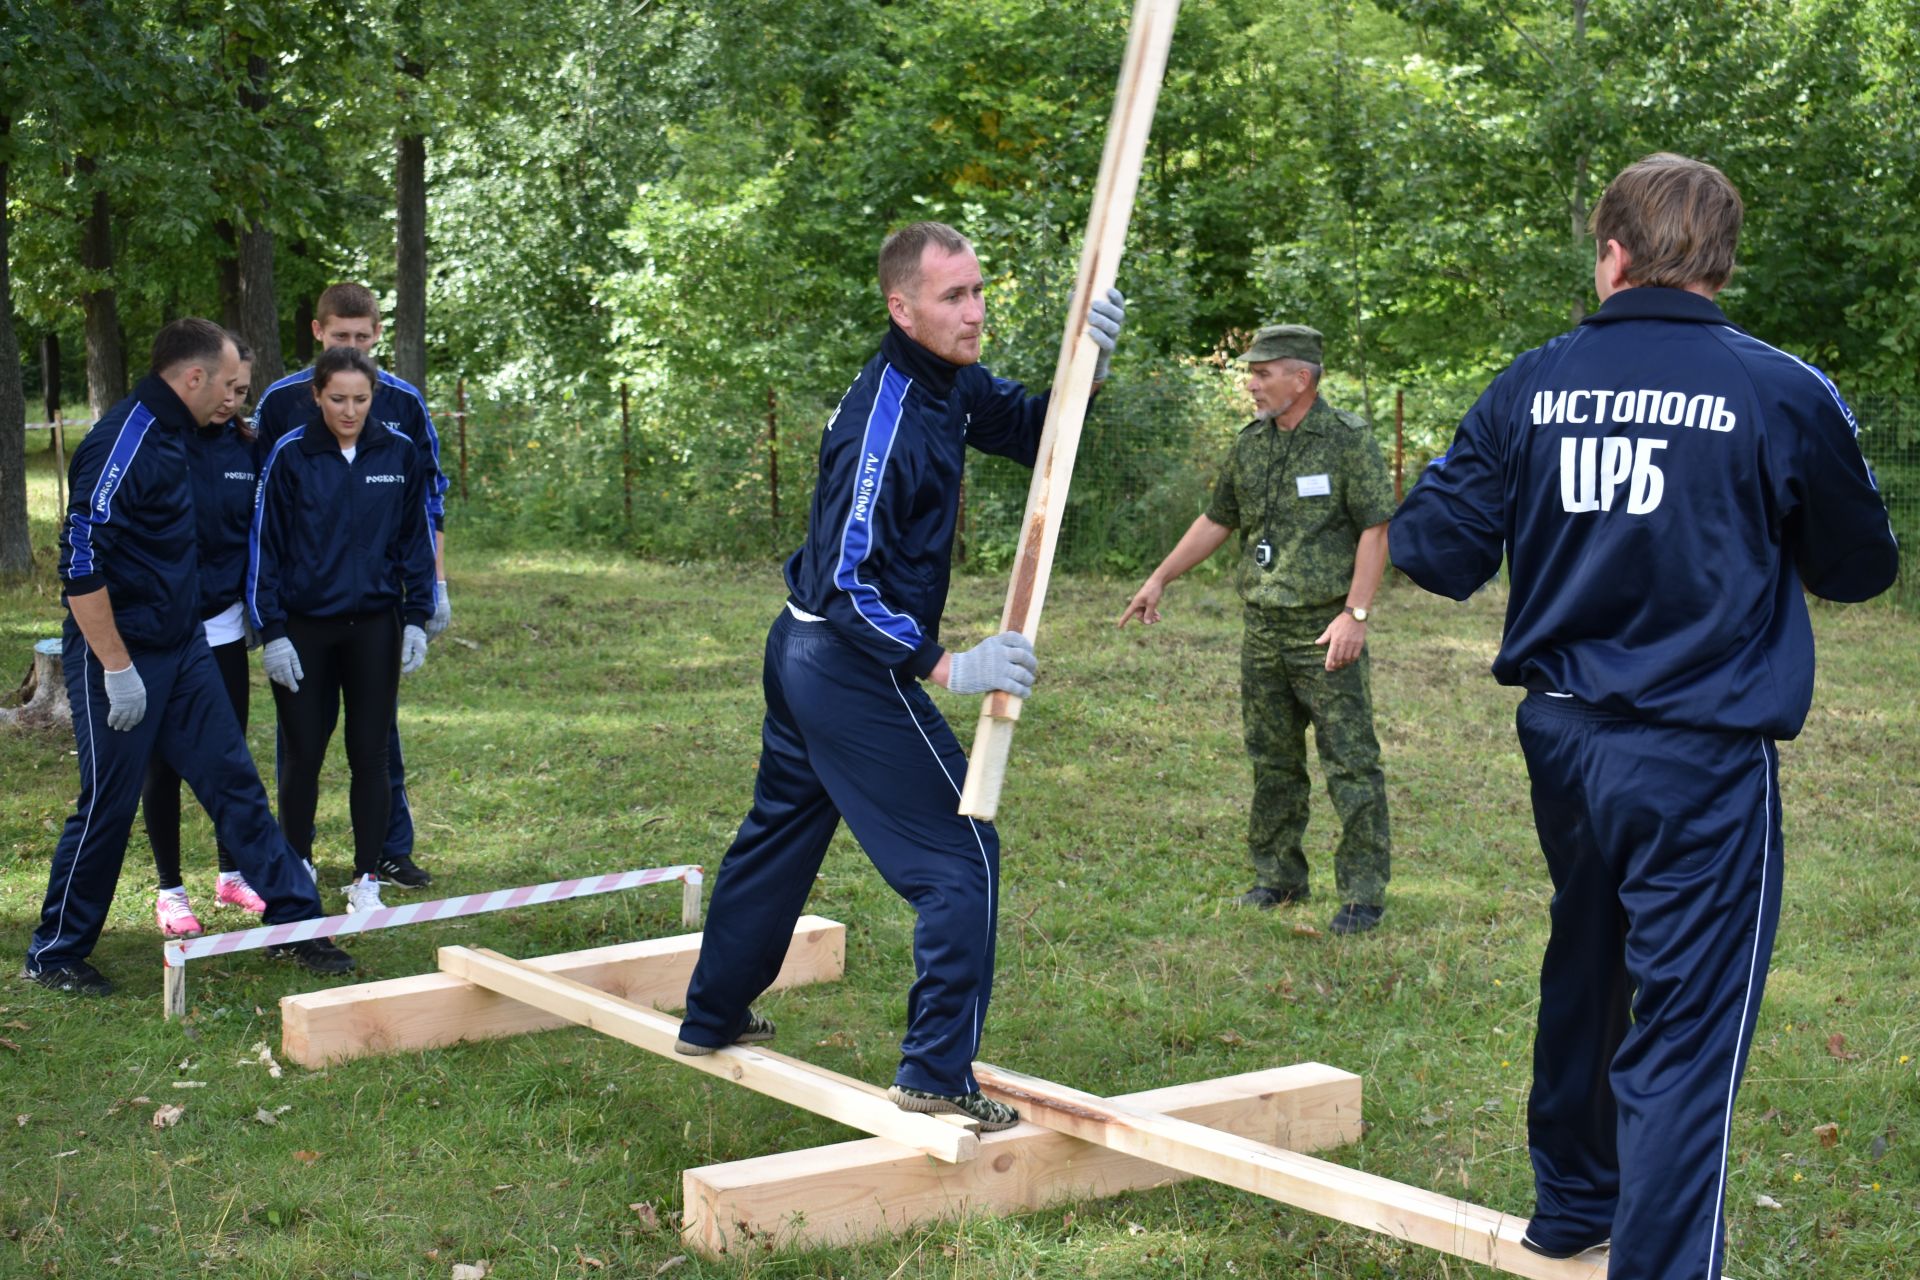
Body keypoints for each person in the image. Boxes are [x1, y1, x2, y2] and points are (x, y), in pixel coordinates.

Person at [1389, 154, 1898, 1278]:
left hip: (1567, 742)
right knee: (1684, 1024)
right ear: (1721, 258)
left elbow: (1433, 547)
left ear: (1611, 252)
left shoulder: (1535, 380)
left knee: (1590, 956)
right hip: (1699, 755)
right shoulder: (1779, 388)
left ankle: (1574, 1201)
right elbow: (1861, 566)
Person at [674, 221, 1125, 1130]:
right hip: (843, 661)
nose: (975, 311)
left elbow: (1036, 433)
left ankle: (711, 1014)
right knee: (963, 856)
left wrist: (1089, 371)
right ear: (902, 306)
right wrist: (946, 664)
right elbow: (848, 582)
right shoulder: (884, 423)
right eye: (954, 297)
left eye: (979, 291)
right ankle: (933, 1073)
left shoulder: (945, 384)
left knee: (778, 840)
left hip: (807, 653)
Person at [25, 319, 356, 995]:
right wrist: (117, 669)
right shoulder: (125, 438)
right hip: (120, 657)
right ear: (193, 377)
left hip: (185, 650)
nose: (235, 399)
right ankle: (56, 953)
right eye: (228, 384)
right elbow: (80, 565)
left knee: (234, 783)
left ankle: (297, 926)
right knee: (107, 805)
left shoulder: (188, 433)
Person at [1120, 325, 1394, 935]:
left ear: (1301, 377)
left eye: (1263, 372)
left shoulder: (1347, 440)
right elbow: (1218, 519)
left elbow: (1376, 529)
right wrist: (1160, 577)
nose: (1251, 384)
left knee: (1350, 764)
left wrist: (1355, 614)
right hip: (1262, 629)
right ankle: (1279, 879)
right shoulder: (1250, 444)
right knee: (1272, 761)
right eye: (1251, 372)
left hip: (1324, 630)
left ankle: (1362, 894)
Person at [252, 283, 447, 888]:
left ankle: (382, 857)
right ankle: (295, 860)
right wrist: (270, 625)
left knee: (375, 743)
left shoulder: (404, 417)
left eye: (364, 338)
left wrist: (425, 600)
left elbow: (423, 511)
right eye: (343, 337)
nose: (350, 407)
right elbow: (262, 523)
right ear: (319, 336)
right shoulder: (282, 416)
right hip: (305, 613)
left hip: (375, 615)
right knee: (302, 744)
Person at [143, 337, 271, 937]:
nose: (231, 401)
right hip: (162, 633)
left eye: (242, 392)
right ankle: (170, 890)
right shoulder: (161, 443)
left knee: (229, 757)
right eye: (227, 389)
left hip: (221, 628)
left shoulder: (247, 449)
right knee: (164, 763)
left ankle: (231, 873)